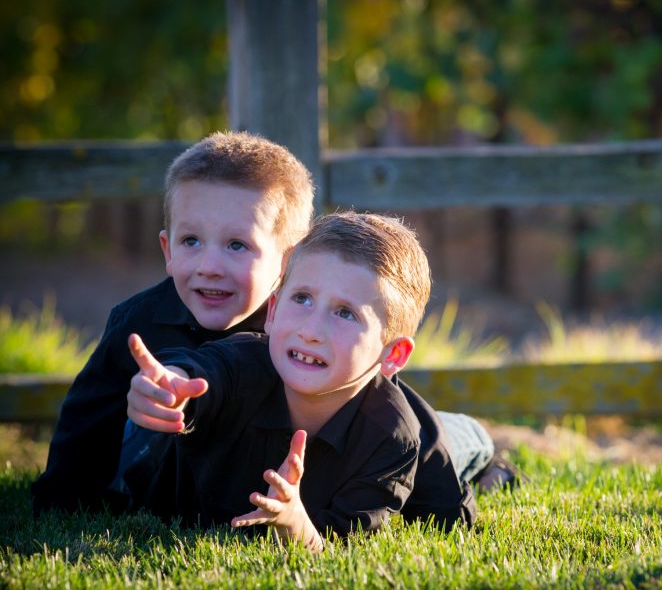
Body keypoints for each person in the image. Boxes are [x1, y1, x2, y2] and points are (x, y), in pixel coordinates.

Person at [31, 131, 503, 519]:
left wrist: (447, 506)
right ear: (167, 250)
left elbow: (394, 408)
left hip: (334, 449)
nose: (210, 265)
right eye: (191, 241)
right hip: (199, 448)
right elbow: (88, 415)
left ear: (289, 260)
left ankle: (476, 442)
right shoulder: (140, 321)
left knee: (431, 441)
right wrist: (63, 496)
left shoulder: (302, 319)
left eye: (237, 245)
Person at [125, 212, 458, 548]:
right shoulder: (243, 364)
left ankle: (475, 439)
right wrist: (172, 389)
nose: (310, 331)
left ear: (394, 354)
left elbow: (340, 547)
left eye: (345, 313)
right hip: (149, 454)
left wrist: (296, 524)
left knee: (450, 466)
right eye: (302, 298)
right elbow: (204, 371)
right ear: (272, 310)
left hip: (410, 427)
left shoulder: (392, 438)